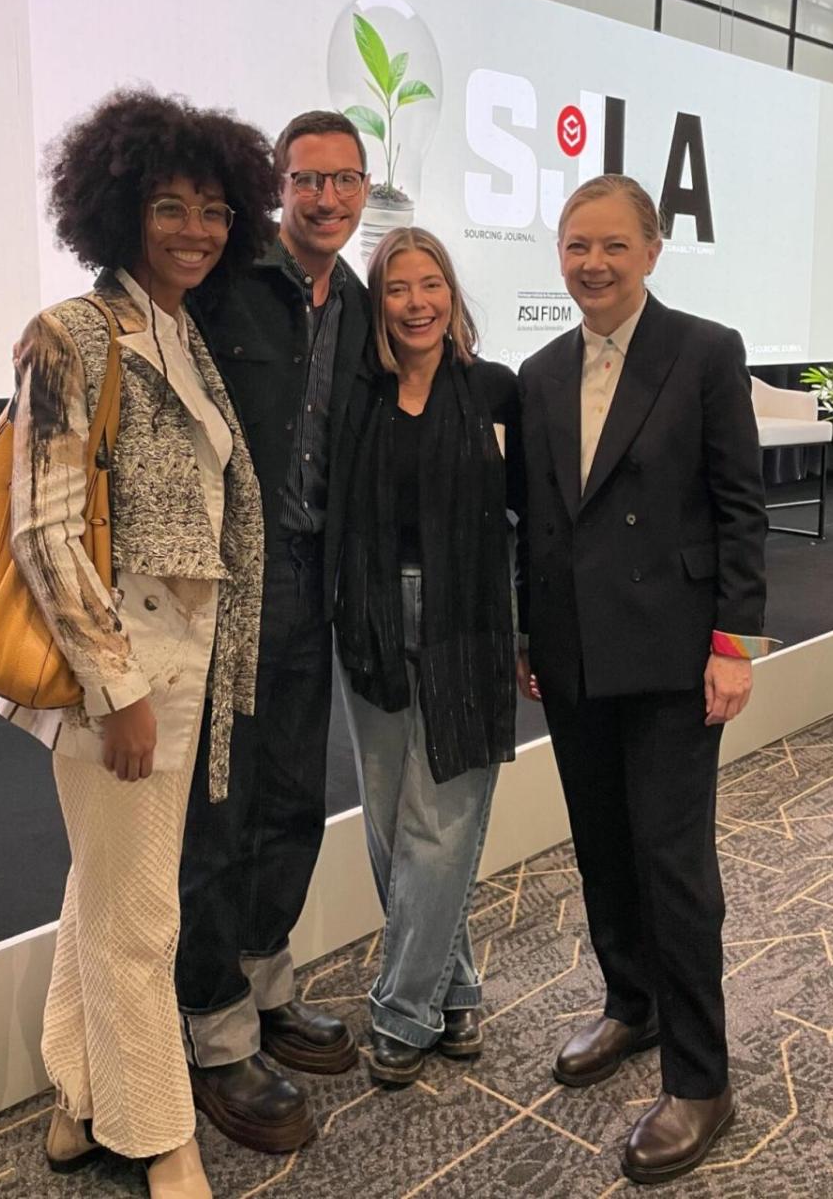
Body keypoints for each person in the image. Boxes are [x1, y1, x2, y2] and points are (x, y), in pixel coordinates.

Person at [2, 88, 278, 1198]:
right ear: (118, 208)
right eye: (171, 206)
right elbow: (43, 530)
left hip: (182, 662)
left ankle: (77, 1098)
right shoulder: (71, 333)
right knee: (141, 915)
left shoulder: (177, 330)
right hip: (116, 675)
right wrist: (114, 689)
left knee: (106, 890)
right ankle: (161, 1133)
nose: (196, 230)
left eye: (214, 210)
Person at [516, 174, 774, 1186]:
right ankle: (631, 1005)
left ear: (653, 251)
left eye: (613, 245)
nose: (593, 263)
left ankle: (701, 1077)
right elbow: (537, 525)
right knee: (603, 850)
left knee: (674, 867)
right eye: (577, 245)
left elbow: (740, 505)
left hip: (674, 654)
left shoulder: (705, 352)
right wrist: (533, 639)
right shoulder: (538, 373)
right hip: (574, 654)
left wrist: (733, 641)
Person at [177, 110, 372, 1152]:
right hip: (223, 589)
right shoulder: (225, 282)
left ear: (365, 188)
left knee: (294, 798)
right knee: (220, 807)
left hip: (313, 585)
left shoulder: (367, 304)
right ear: (280, 188)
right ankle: (210, 1029)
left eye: (344, 182)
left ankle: (264, 990)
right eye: (308, 181)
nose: (326, 200)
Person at [336, 227, 524, 1088]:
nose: (417, 303)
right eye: (398, 290)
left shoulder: (495, 391)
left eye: (431, 284)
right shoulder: (359, 394)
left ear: (453, 293)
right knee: (388, 824)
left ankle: (403, 1011)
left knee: (439, 825)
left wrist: (533, 632)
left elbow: (531, 521)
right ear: (379, 306)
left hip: (470, 620)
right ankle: (455, 990)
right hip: (371, 616)